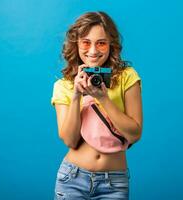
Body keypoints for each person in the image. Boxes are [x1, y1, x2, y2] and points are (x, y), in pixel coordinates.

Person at [51, 11, 143, 200]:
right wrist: (77, 95)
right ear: (76, 44)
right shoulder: (63, 86)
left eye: (101, 43)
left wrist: (103, 99)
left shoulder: (127, 76)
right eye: (86, 42)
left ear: (111, 45)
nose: (93, 51)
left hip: (114, 183)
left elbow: (134, 133)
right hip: (72, 179)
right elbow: (69, 140)